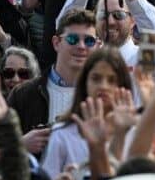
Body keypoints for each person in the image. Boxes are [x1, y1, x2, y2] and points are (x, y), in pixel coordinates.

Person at [8, 9, 99, 153]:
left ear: (97, 46)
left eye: (89, 41)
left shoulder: (102, 96)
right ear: (56, 43)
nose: (81, 46)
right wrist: (21, 145)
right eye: (73, 39)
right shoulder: (23, 94)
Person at [41, 47, 135, 180]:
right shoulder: (62, 133)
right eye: (96, 79)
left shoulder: (133, 132)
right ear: (85, 82)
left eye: (112, 80)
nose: (103, 86)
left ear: (123, 86)